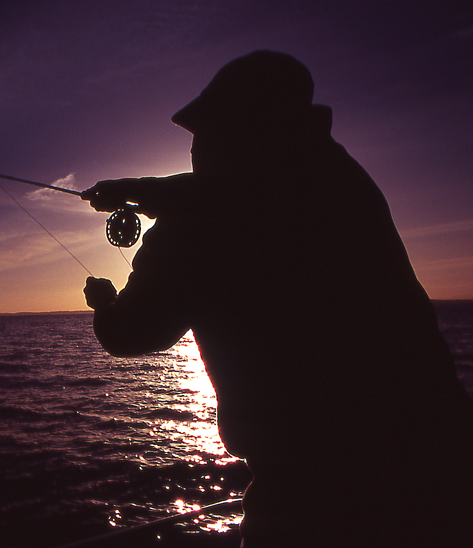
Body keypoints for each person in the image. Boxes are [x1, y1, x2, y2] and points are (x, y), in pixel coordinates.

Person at [82, 51, 473, 548]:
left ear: (236, 128)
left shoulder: (202, 222)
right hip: (448, 459)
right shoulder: (343, 182)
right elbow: (249, 192)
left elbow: (131, 331)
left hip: (317, 496)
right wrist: (140, 189)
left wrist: (103, 303)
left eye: (205, 130)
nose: (196, 146)